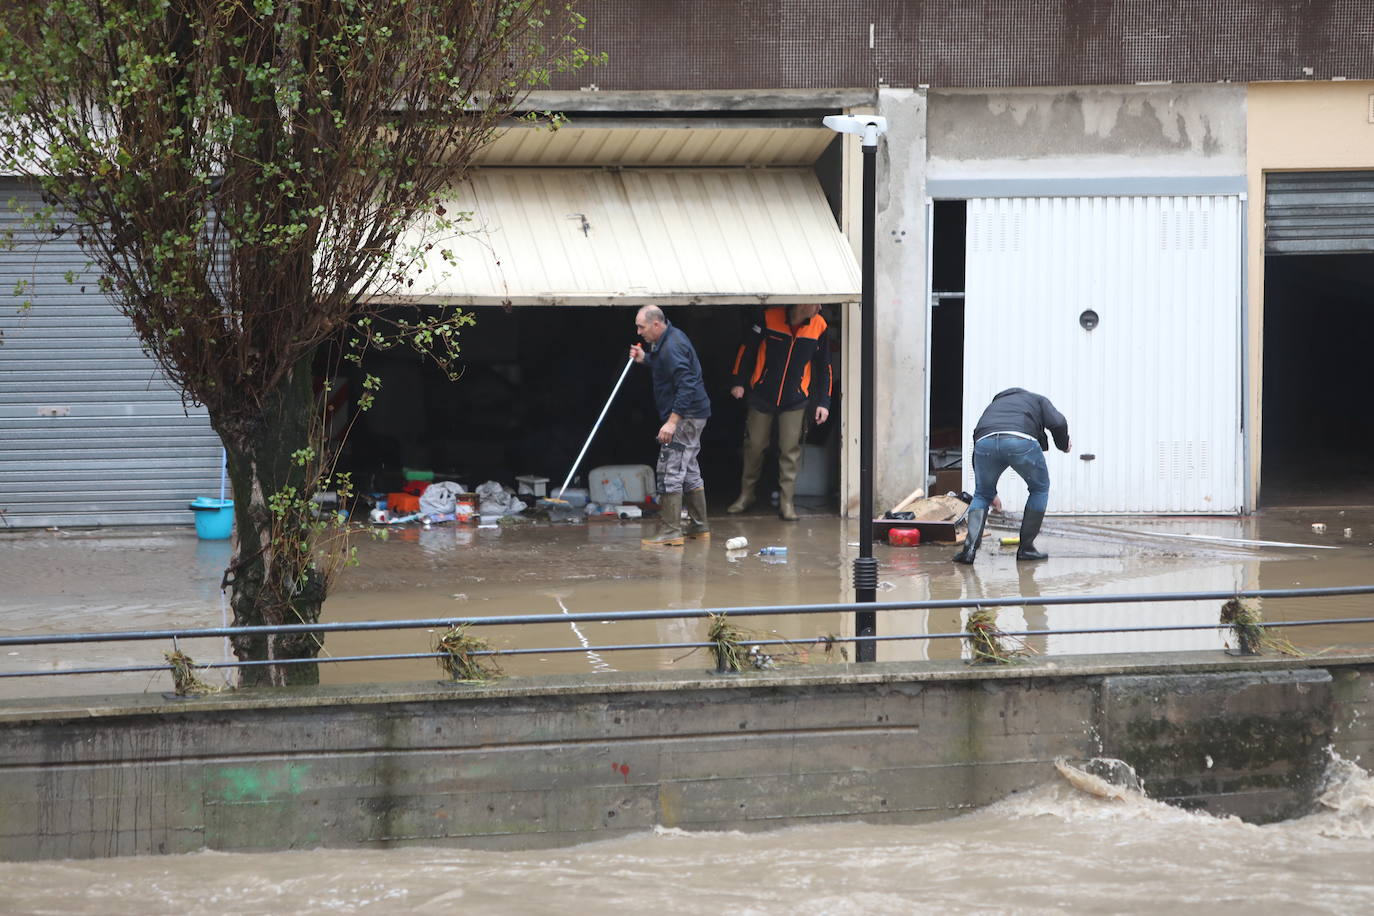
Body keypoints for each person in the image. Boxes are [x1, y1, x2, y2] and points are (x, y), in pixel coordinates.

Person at [726, 304, 832, 521]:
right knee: (754, 446)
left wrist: (824, 402)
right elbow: (747, 349)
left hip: (795, 399)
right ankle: (746, 495)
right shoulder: (769, 317)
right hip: (762, 394)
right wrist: (739, 381)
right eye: (816, 302)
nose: (820, 307)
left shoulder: (819, 325)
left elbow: (824, 366)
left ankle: (787, 502)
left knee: (790, 450)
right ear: (803, 304)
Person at [952, 387, 1071, 564]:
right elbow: (1058, 422)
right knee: (1039, 489)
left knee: (981, 494)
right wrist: (1063, 445)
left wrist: (989, 493)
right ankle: (1026, 549)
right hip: (1020, 441)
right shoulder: (1037, 399)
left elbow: (977, 443)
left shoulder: (994, 406)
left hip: (985, 443)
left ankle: (968, 551)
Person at [630, 305, 712, 547]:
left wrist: (672, 422)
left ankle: (670, 531)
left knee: (670, 471)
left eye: (641, 327)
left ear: (656, 324)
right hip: (696, 414)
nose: (639, 332)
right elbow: (664, 365)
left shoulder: (673, 345)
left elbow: (687, 384)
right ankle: (699, 526)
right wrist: (645, 358)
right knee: (689, 470)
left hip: (686, 417)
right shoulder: (670, 339)